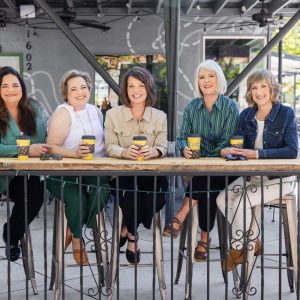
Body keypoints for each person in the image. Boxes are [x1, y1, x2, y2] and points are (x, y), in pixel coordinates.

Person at [217, 69, 298, 271]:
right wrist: (227, 149)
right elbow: (237, 145)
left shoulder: (285, 113)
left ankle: (237, 250)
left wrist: (257, 154)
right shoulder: (246, 115)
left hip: (279, 179)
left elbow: (292, 150)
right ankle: (253, 243)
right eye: (254, 87)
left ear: (272, 89)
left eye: (263, 86)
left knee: (241, 203)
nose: (259, 91)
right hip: (253, 178)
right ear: (250, 92)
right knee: (222, 199)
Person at [163, 59, 239, 261]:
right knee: (207, 186)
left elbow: (226, 143)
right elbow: (180, 139)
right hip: (200, 173)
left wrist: (205, 162)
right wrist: (184, 149)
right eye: (201, 77)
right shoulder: (191, 108)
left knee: (207, 176)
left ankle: (182, 213)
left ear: (219, 79)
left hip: (225, 172)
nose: (206, 81)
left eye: (210, 76)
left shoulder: (231, 107)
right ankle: (204, 239)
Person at [46, 70, 110, 265]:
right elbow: (50, 147)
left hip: (94, 170)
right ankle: (76, 238)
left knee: (101, 192)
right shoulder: (63, 113)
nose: (79, 92)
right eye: (73, 88)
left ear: (89, 89)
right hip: (64, 172)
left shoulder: (96, 111)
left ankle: (75, 227)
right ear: (66, 93)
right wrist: (74, 153)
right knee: (77, 199)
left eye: (83, 87)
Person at [105, 66, 168, 264]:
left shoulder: (160, 116)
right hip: (124, 173)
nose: (136, 90)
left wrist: (155, 151)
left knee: (155, 200)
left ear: (148, 88)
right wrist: (124, 152)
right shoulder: (113, 114)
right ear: (125, 89)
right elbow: (109, 146)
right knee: (131, 196)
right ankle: (133, 238)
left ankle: (126, 229)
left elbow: (163, 145)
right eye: (130, 85)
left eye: (140, 85)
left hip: (152, 174)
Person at [0, 66, 49, 261]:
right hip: (2, 175)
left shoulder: (34, 108)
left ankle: (11, 236)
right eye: (4, 86)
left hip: (24, 173)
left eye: (15, 84)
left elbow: (45, 138)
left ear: (22, 87)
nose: (10, 89)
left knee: (35, 195)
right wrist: (25, 150)